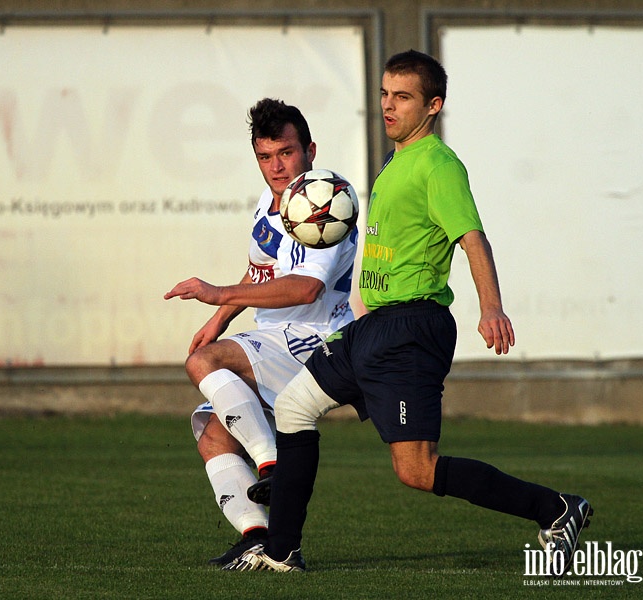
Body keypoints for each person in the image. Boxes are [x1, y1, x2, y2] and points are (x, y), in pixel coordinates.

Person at [224, 51, 592, 574]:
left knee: (417, 470)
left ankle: (556, 509)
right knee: (292, 408)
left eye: (402, 97)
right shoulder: (397, 161)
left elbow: (472, 238)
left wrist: (492, 309)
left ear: (433, 105)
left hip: (411, 330)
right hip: (370, 328)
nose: (388, 106)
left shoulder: (439, 166)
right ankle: (282, 551)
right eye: (383, 94)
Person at [164, 98, 359, 567]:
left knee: (203, 364)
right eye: (265, 157)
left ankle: (273, 463)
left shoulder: (326, 197)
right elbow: (261, 274)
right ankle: (258, 537)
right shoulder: (267, 204)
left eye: (286, 153)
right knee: (213, 436)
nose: (276, 166)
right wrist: (218, 320)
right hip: (275, 337)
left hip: (313, 339)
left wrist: (215, 294)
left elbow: (307, 287)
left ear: (309, 150)